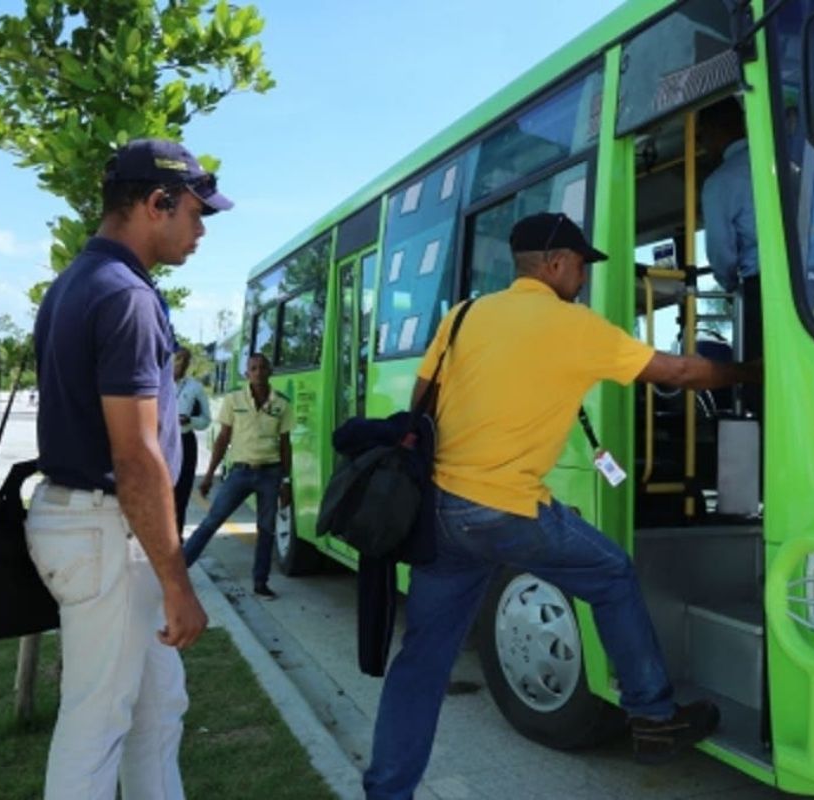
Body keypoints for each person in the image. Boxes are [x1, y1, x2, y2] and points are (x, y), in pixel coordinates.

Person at [362, 212, 757, 799]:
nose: (582, 277)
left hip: (442, 512)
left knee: (421, 661)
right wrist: (753, 370)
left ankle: (387, 791)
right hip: (506, 511)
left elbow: (422, 404)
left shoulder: (464, 314)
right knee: (612, 573)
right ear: (552, 262)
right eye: (579, 265)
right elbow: (677, 369)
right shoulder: (573, 325)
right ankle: (652, 716)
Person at [28, 138, 229, 799]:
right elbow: (136, 454)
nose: (201, 230)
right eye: (196, 213)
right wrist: (178, 582)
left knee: (155, 709)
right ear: (157, 203)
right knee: (97, 726)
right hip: (109, 529)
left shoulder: (78, 281)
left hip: (100, 527)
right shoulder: (127, 296)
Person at [182, 352, 292, 598]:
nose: (259, 372)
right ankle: (179, 570)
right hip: (240, 473)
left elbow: (286, 445)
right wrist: (209, 474)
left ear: (270, 371)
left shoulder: (282, 404)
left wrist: (286, 480)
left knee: (266, 529)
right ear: (247, 373)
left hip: (270, 473)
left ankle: (260, 582)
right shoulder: (233, 400)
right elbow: (223, 439)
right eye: (253, 368)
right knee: (212, 521)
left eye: (263, 367)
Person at [699, 98, 760, 360]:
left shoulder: (720, 181)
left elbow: (720, 251)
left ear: (715, 131)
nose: (702, 146)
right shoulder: (784, 161)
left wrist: (731, 286)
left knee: (757, 379)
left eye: (702, 137)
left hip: (763, 292)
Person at [172, 347, 211, 536]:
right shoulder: (156, 384)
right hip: (162, 442)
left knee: (181, 493)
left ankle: (176, 539)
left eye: (185, 361)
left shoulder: (195, 388)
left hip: (185, 441)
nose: (181, 364)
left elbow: (206, 419)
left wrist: (191, 421)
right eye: (178, 359)